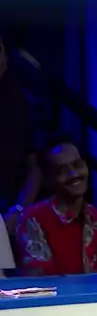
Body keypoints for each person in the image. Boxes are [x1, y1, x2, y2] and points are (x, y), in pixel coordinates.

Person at [16, 140, 97, 276]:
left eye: (77, 165)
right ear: (48, 180)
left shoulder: (93, 214)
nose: (74, 174)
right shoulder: (34, 218)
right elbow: (39, 278)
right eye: (62, 171)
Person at [0, 37, 42, 236]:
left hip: (11, 207)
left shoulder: (21, 106)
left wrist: (17, 211)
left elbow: (35, 170)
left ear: (6, 58)